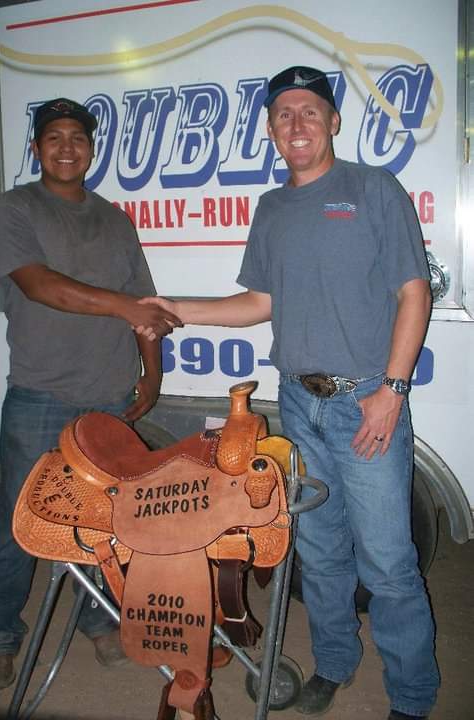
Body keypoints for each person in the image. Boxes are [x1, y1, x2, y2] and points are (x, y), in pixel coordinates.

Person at [140, 67, 440, 719]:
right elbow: (258, 303)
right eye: (283, 114)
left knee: (387, 560)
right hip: (299, 404)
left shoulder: (372, 189)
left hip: (366, 401)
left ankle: (413, 698)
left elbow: (412, 292)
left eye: (310, 110)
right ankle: (334, 663)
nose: (297, 123)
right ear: (272, 130)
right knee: (321, 549)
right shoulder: (272, 208)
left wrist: (392, 390)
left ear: (333, 121)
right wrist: (175, 309)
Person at [0, 98, 181, 692]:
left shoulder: (116, 220)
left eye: (78, 137)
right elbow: (38, 286)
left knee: (106, 521)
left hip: (109, 397)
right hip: (40, 396)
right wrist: (124, 307)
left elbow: (146, 308)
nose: (67, 146)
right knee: (21, 522)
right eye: (54, 137)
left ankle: (99, 621)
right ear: (36, 150)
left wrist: (153, 375)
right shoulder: (14, 209)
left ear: (92, 149)